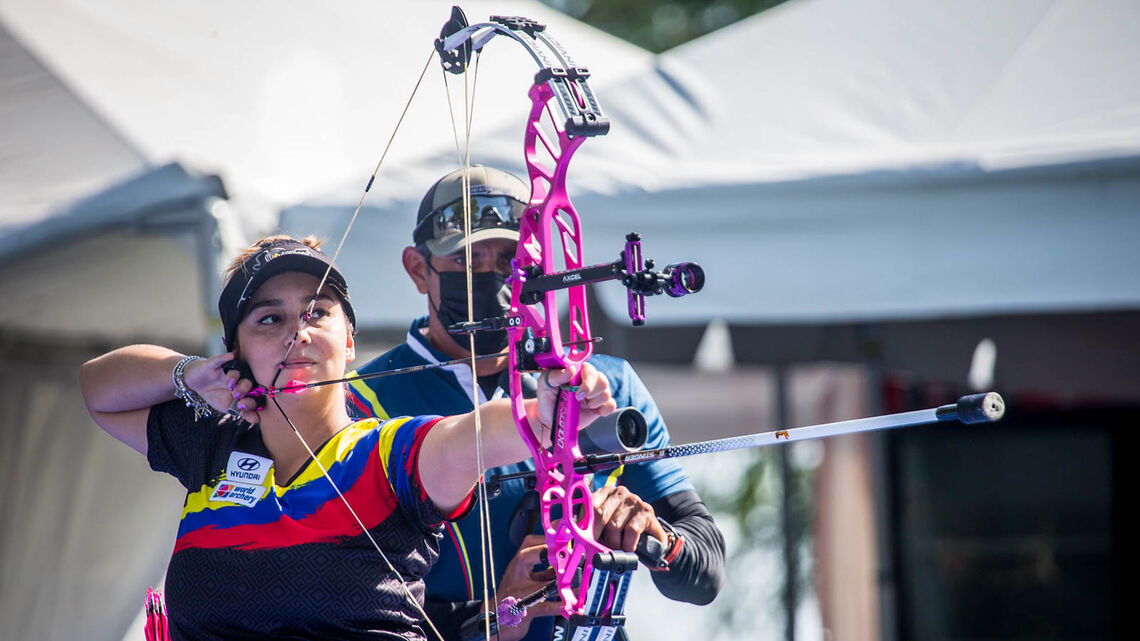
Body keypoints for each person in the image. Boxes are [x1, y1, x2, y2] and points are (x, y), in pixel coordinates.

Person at [79, 235, 616, 641]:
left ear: (350, 339)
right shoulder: (215, 447)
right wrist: (192, 373)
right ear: (236, 350)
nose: (298, 332)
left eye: (317, 312)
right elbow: (98, 389)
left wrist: (545, 408)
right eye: (269, 319)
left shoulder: (389, 455)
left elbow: (474, 434)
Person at [347, 166, 726, 640]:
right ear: (418, 269)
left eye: (510, 259)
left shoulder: (604, 384)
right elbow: (351, 604)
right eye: (468, 259)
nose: (491, 276)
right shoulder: (360, 403)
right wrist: (495, 612)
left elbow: (705, 571)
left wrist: (657, 538)